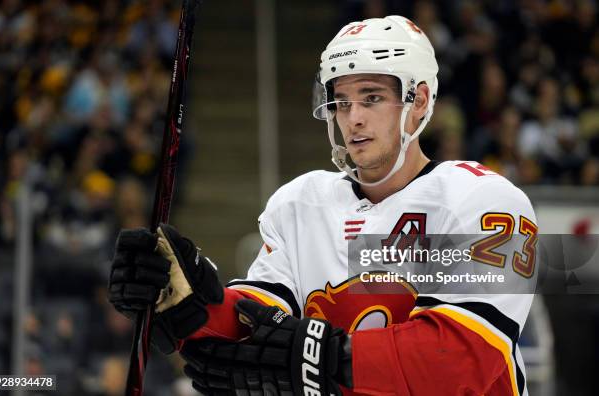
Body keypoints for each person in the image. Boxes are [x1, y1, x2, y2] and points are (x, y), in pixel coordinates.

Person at [108, 15, 537, 396]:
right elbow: (256, 326)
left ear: (419, 100)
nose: (353, 118)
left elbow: (464, 361)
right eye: (341, 102)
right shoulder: (301, 203)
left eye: (371, 98)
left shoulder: (483, 201)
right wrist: (188, 305)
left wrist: (318, 357)